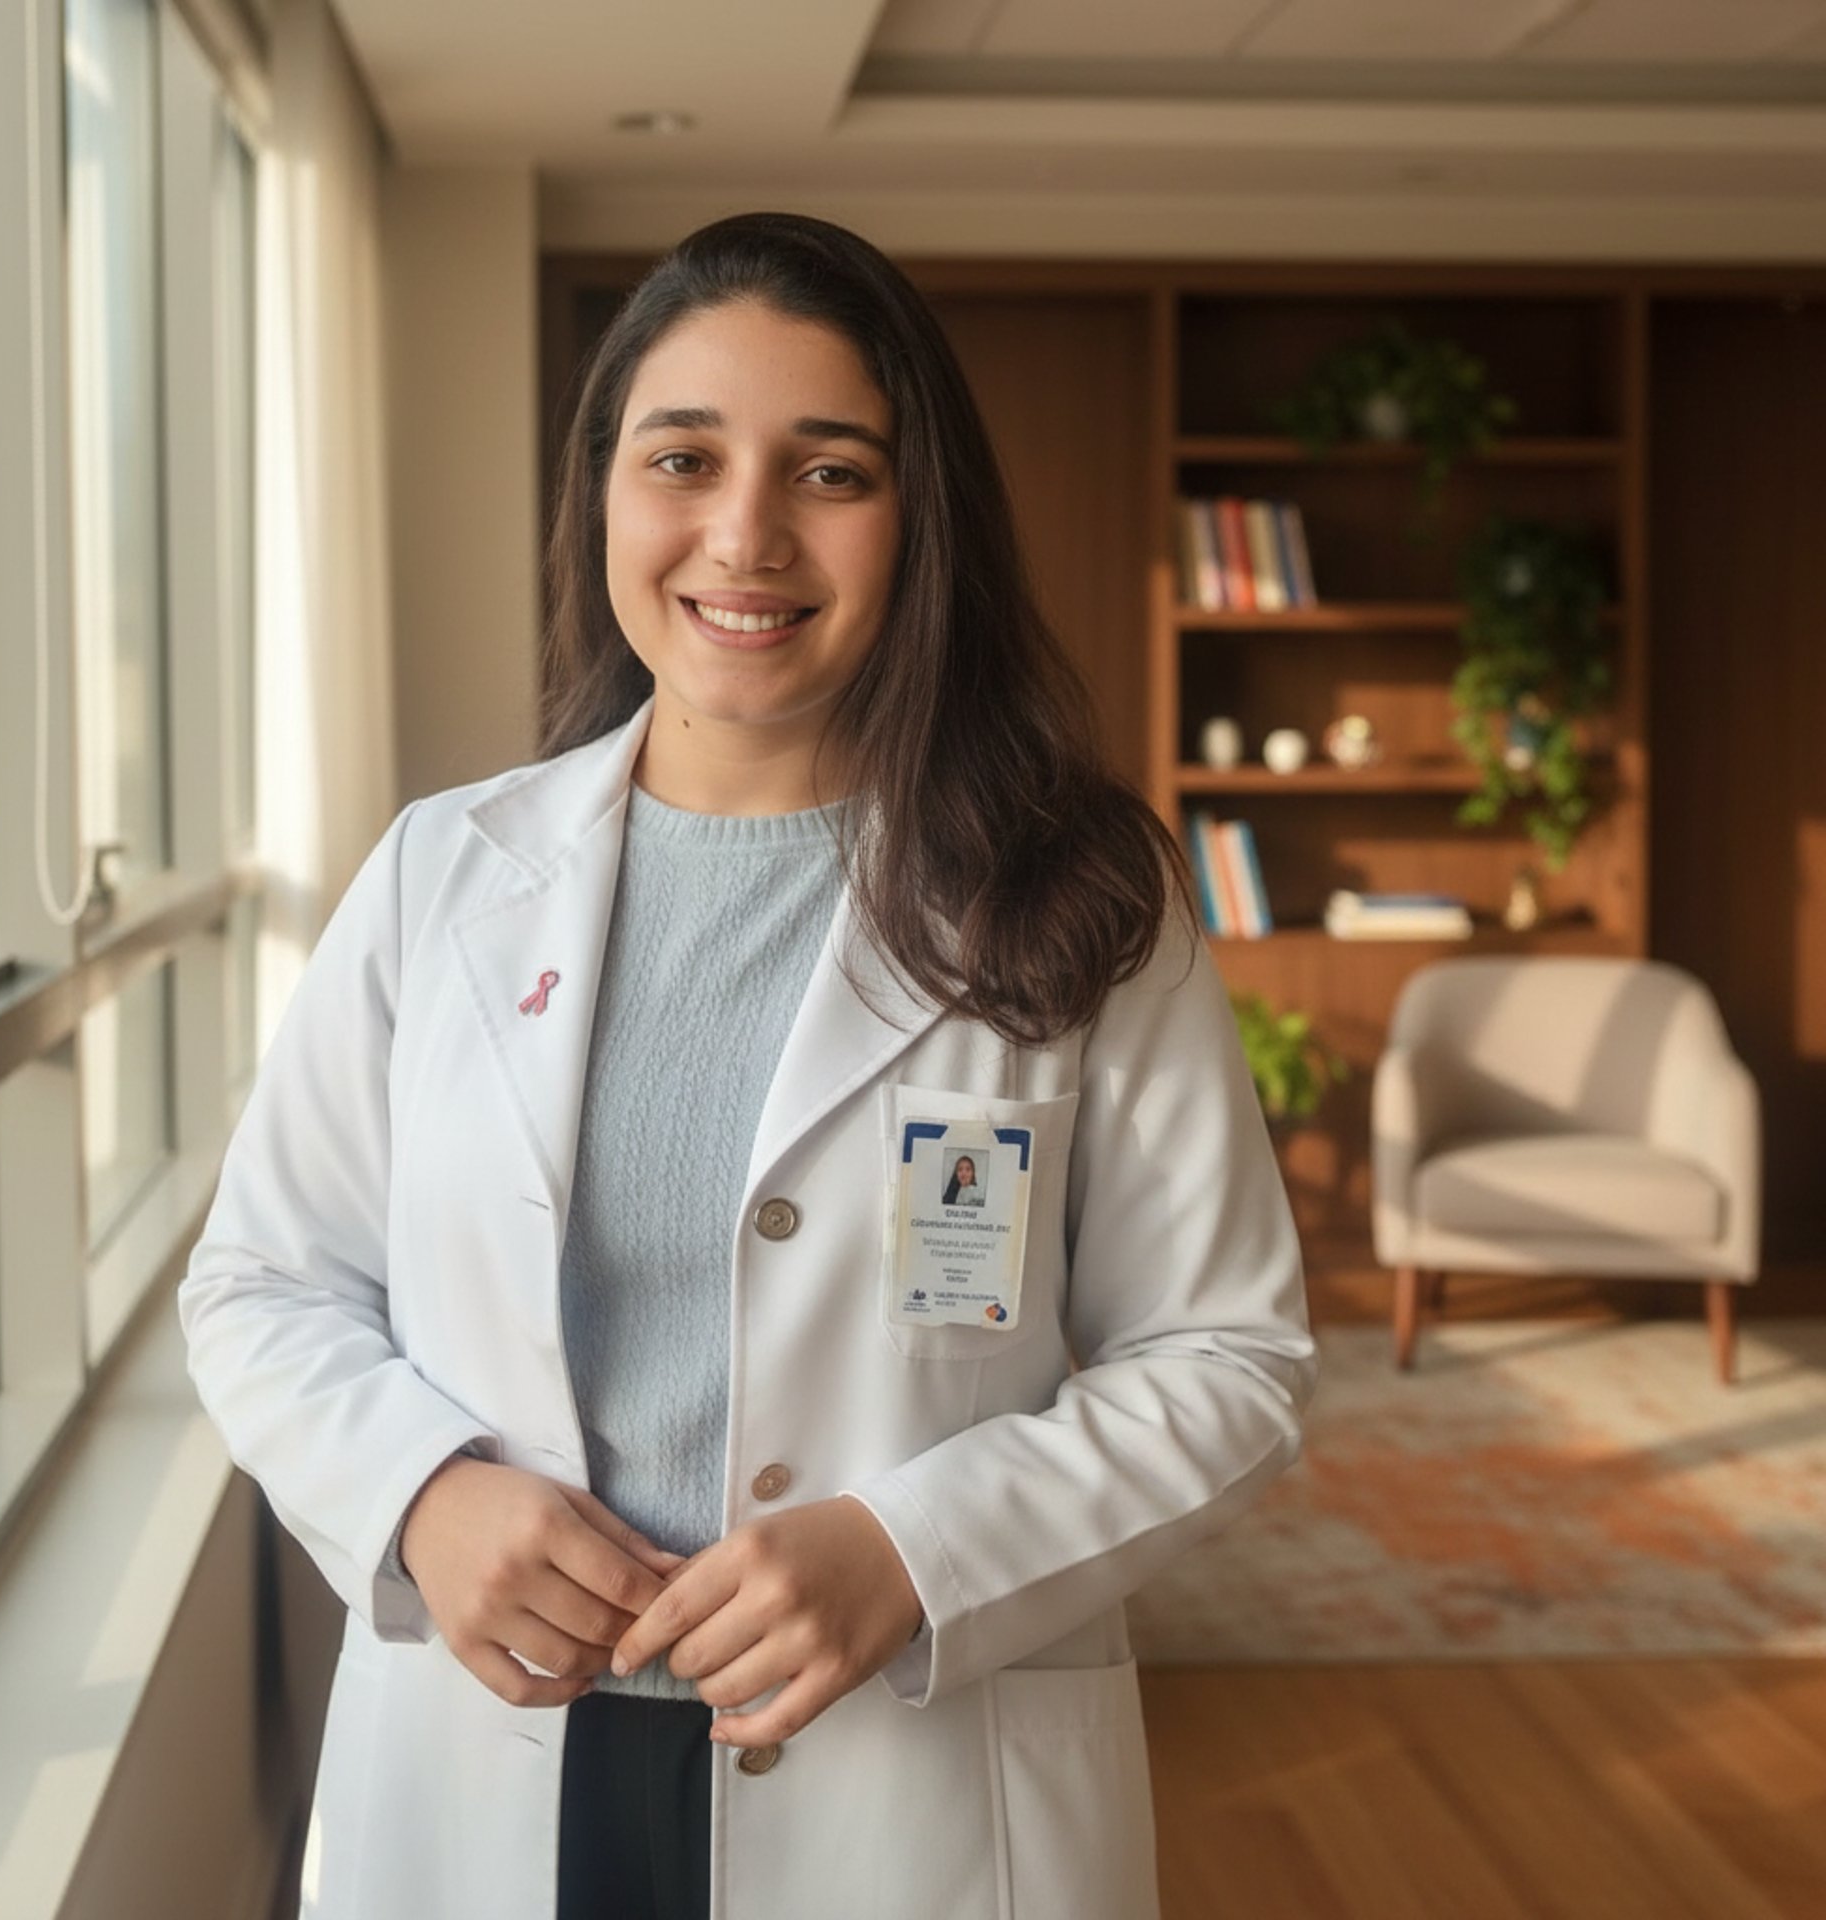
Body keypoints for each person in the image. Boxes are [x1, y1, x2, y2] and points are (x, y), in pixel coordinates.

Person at [179, 210, 1317, 1920]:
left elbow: (1230, 1351)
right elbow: (263, 1281)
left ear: (919, 515)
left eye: (831, 470)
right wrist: (420, 1500)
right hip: (495, 1762)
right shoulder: (443, 875)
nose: (745, 533)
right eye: (683, 456)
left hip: (905, 1775)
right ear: (606, 497)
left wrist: (915, 1555)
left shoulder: (1080, 895)